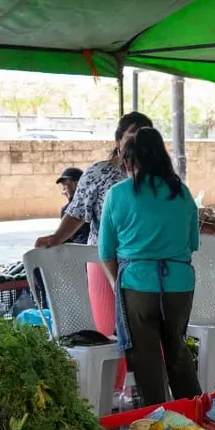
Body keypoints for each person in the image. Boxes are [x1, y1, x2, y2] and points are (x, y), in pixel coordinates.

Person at [98, 127, 202, 407]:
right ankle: (197, 413)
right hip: (179, 284)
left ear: (130, 160)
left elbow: (106, 251)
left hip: (137, 284)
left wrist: (115, 282)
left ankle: (159, 421)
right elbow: (193, 243)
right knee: (178, 351)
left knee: (146, 358)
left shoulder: (117, 195)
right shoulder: (182, 193)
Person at [35, 112, 154, 341]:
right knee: (106, 334)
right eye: (132, 137)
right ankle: (113, 378)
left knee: (147, 336)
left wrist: (204, 225)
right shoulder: (99, 173)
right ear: (118, 140)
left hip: (144, 264)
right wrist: (57, 237)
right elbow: (77, 212)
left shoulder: (155, 177)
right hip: (103, 260)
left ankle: (148, 378)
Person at [55, 168, 90, 245]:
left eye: (66, 184)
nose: (64, 188)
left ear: (77, 184)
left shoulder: (88, 205)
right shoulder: (66, 209)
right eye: (63, 185)